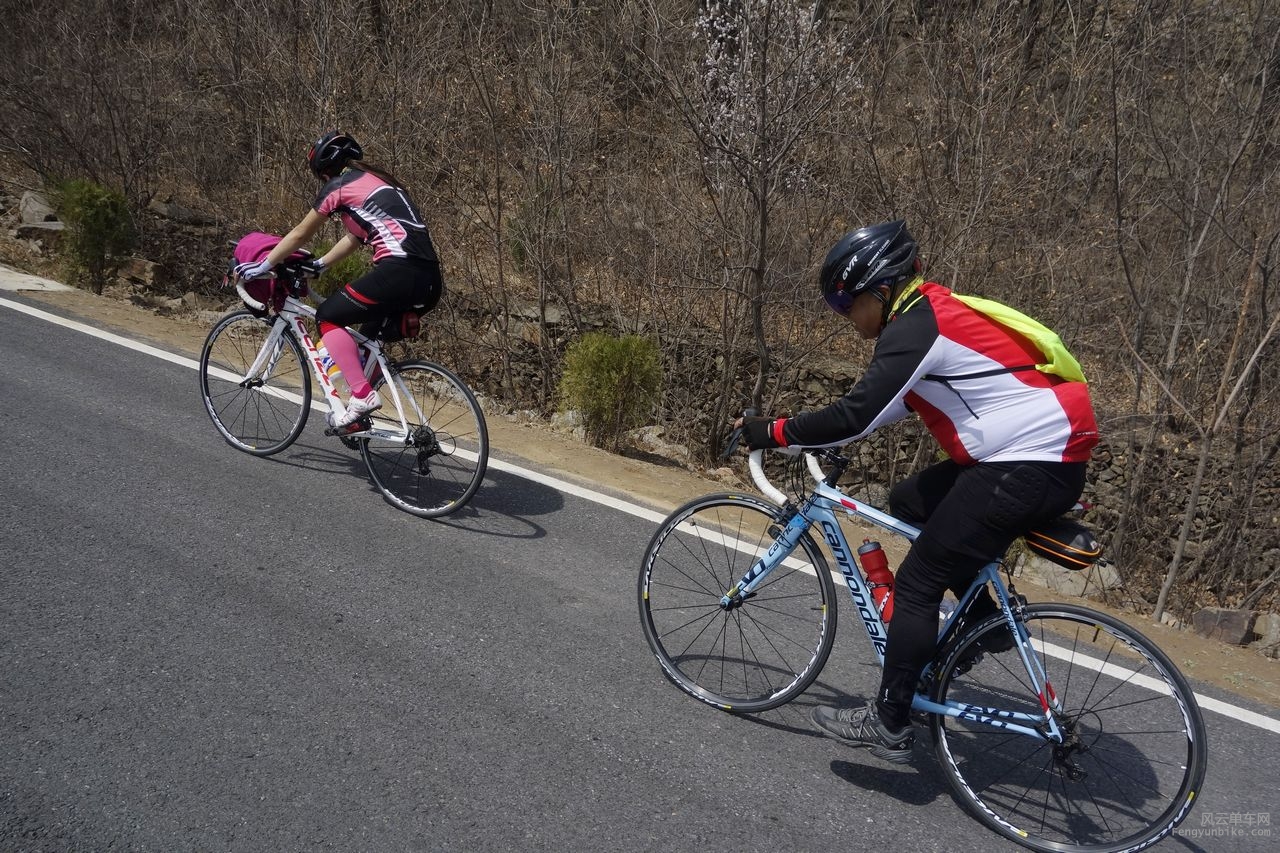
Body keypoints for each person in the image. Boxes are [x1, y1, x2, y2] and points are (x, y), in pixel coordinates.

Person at [736, 219, 1098, 764]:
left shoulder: (917, 327)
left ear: (881, 290)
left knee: (919, 580)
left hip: (1028, 465)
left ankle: (889, 719)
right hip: (1036, 457)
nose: (846, 318)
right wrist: (831, 435)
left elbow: (856, 413)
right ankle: (982, 624)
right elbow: (892, 406)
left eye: (847, 305)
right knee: (908, 501)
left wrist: (776, 431)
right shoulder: (930, 315)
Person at [235, 130, 443, 428]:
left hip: (399, 271)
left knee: (328, 317)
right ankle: (357, 418)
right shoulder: (383, 184)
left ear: (325, 170)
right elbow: (355, 237)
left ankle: (361, 396)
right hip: (430, 281)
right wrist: (319, 264)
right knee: (369, 340)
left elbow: (300, 233)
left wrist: (262, 265)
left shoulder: (341, 185)